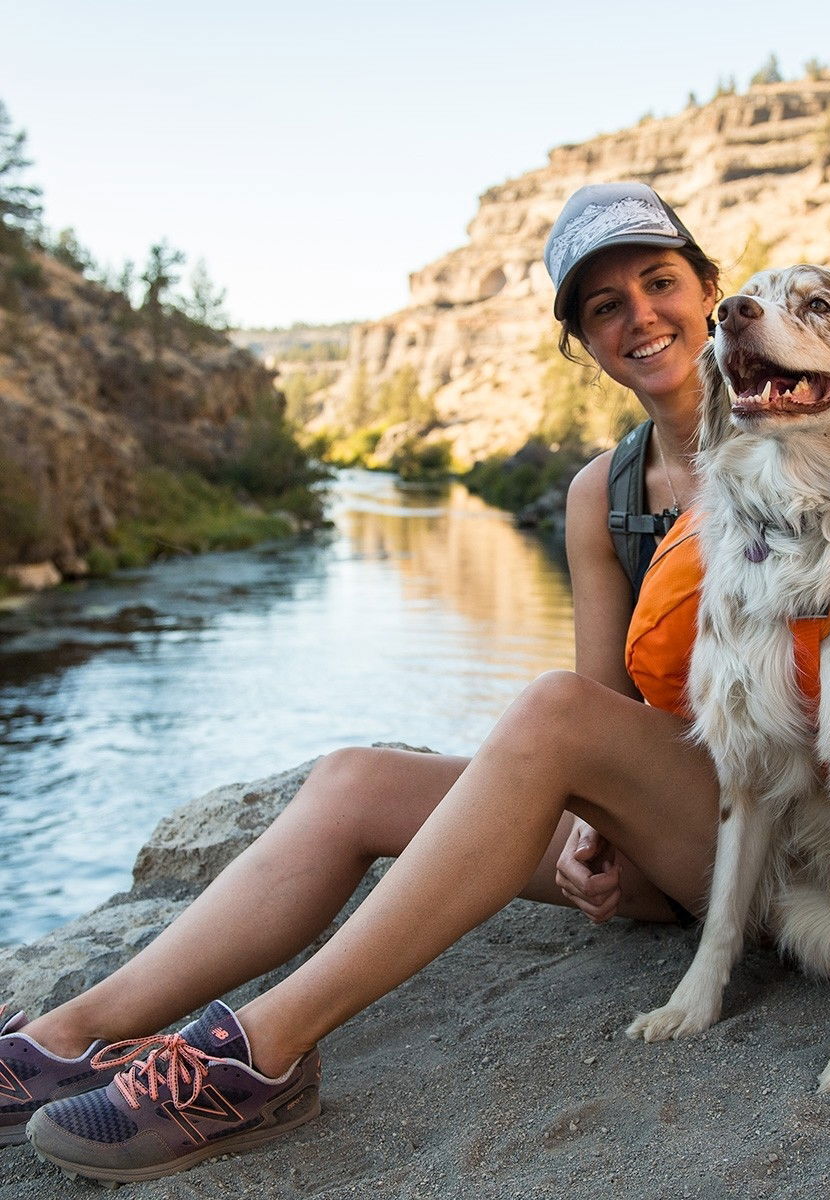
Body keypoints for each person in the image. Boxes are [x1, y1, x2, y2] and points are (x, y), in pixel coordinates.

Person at [1, 181, 725, 1184]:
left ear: (711, 291)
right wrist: (592, 840)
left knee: (550, 713)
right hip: (678, 837)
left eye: (660, 282)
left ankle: (258, 1056)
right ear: (583, 341)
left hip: (795, 850)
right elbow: (609, 710)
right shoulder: (600, 493)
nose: (640, 315)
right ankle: (68, 1039)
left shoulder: (806, 434)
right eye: (606, 305)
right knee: (354, 778)